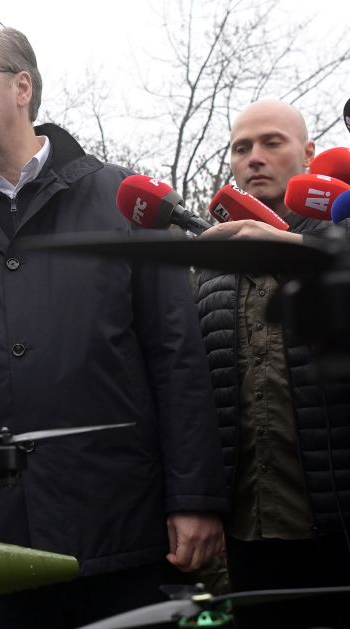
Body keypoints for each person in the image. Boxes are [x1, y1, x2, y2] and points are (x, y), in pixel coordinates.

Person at [0, 21, 226, 628]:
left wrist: (196, 499)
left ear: (23, 87)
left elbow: (176, 358)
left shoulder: (124, 201)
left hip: (117, 523)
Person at [197, 100, 350, 627]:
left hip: (339, 529)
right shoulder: (211, 273)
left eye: (271, 143)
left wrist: (293, 248)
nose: (254, 157)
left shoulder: (343, 237)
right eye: (242, 148)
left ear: (308, 154)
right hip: (252, 537)